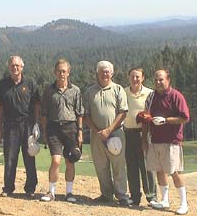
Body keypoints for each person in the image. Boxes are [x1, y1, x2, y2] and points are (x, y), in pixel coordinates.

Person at [83, 60, 132, 206]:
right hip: (97, 135)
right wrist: (98, 131)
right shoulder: (90, 91)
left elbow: (123, 112)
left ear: (112, 73)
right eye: (102, 71)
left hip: (116, 133)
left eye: (107, 71)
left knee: (118, 165)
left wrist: (109, 130)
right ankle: (106, 194)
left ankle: (122, 195)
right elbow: (86, 115)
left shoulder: (118, 89)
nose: (105, 74)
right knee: (101, 165)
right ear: (97, 73)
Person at [142, 69, 190, 215]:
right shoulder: (151, 97)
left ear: (168, 80)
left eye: (161, 79)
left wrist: (166, 120)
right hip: (155, 140)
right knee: (159, 170)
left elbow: (184, 117)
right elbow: (146, 117)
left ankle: (183, 203)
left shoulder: (176, 96)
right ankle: (165, 200)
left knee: (174, 171)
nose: (158, 82)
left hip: (172, 141)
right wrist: (144, 138)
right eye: (156, 80)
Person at [40, 59, 84, 203]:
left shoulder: (75, 90)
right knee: (56, 161)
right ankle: (51, 192)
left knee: (70, 161)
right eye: (59, 71)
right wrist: (44, 132)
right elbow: (44, 113)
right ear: (55, 72)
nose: (61, 74)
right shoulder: (48, 90)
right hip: (53, 128)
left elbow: (79, 113)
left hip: (71, 128)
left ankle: (69, 193)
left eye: (64, 71)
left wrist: (80, 131)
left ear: (68, 73)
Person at [0, 55, 40, 197]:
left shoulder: (30, 83)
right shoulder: (2, 85)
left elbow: (36, 105)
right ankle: (8, 188)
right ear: (9, 67)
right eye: (12, 65)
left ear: (22, 67)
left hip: (27, 124)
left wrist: (36, 124)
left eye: (17, 65)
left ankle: (30, 189)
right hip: (10, 125)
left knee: (29, 157)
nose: (15, 67)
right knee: (10, 158)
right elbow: (0, 108)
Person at [124, 67, 157, 206]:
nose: (135, 79)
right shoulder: (123, 92)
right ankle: (134, 196)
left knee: (146, 166)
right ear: (129, 77)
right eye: (132, 76)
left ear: (143, 78)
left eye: (138, 76)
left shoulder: (150, 93)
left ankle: (151, 196)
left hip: (144, 133)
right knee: (131, 165)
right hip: (128, 133)